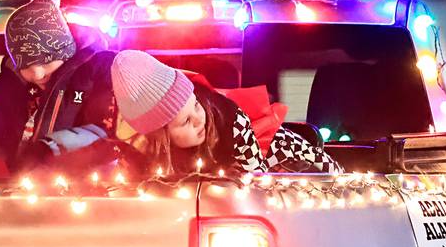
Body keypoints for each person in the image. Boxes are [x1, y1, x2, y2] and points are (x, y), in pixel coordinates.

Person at [110, 50, 342, 175]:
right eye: (185, 122)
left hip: (301, 169)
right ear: (160, 136)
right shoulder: (143, 154)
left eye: (196, 106)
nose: (199, 119)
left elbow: (255, 185)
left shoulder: (230, 121)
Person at [0, 0, 116, 172]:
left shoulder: (93, 76)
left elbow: (104, 132)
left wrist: (50, 150)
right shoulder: (14, 90)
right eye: (26, 65)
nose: (37, 74)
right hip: (21, 192)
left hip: (83, 191)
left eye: (46, 60)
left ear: (65, 52)